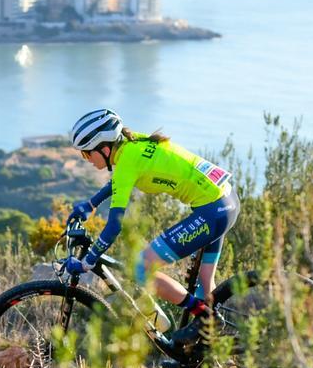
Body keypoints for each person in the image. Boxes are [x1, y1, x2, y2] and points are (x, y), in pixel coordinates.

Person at [60, 108, 240, 322]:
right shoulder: (131, 143)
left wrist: (87, 262)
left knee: (140, 269)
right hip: (226, 201)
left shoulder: (127, 162)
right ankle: (204, 339)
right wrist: (91, 204)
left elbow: (114, 226)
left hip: (213, 211)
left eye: (87, 153)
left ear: (105, 150)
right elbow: (120, 181)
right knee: (206, 289)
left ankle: (204, 316)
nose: (86, 159)